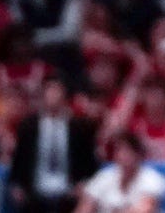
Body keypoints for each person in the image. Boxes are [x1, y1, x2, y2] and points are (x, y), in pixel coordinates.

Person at [11, 76, 101, 213]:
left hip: (69, 193)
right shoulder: (29, 126)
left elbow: (90, 163)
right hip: (35, 193)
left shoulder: (79, 127)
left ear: (65, 96)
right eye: (49, 90)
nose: (53, 95)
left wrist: (84, 184)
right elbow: (19, 159)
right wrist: (17, 185)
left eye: (57, 90)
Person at [77, 134, 165, 213]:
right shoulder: (104, 176)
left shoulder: (152, 179)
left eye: (128, 151)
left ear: (139, 155)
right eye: (120, 151)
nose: (123, 156)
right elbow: (85, 207)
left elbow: (145, 210)